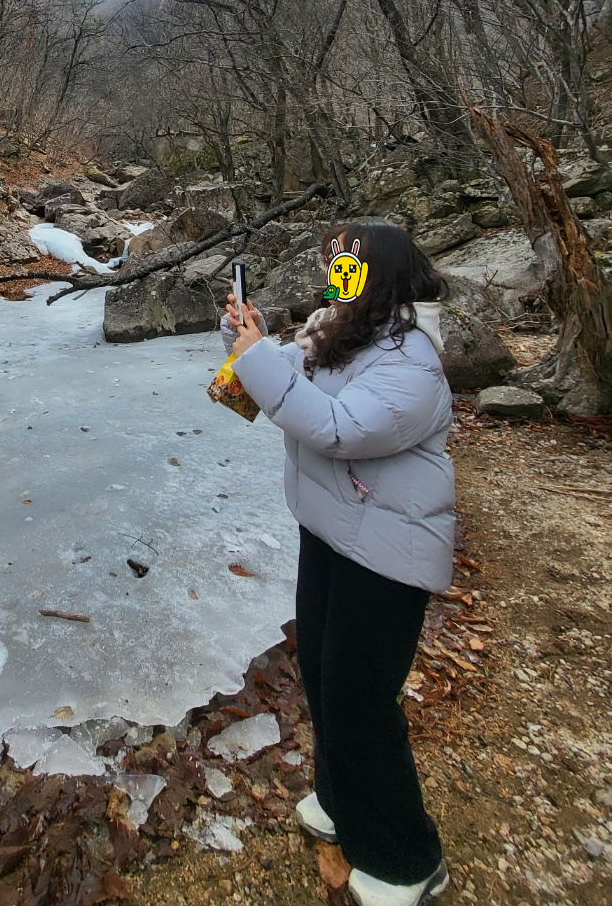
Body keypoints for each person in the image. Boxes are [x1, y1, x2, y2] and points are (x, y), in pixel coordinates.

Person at [220, 218, 454, 906]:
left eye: (349, 265)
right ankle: (340, 798)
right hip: (331, 530)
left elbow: (337, 427)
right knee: (325, 678)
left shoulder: (412, 359)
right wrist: (248, 338)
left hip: (385, 554)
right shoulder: (342, 329)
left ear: (381, 277)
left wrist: (259, 359)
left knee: (359, 700)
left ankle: (406, 860)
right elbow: (289, 375)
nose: (336, 274)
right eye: (335, 264)